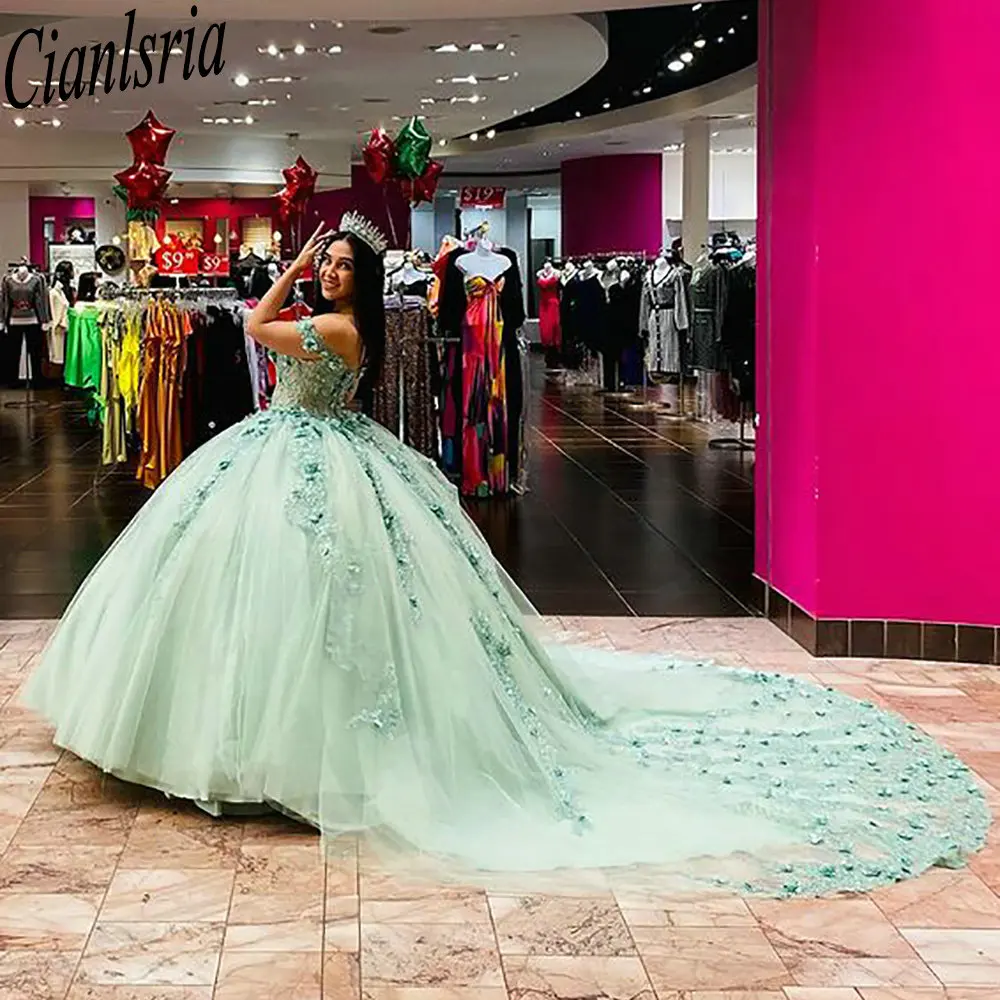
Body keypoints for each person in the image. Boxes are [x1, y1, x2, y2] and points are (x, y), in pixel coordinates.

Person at [22, 212, 987, 899]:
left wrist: (291, 270)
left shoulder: (337, 327)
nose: (334, 277)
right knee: (270, 600)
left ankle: (292, 755)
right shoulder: (340, 316)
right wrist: (310, 257)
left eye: (345, 268)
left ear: (356, 280)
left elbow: (251, 322)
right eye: (335, 270)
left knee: (319, 604)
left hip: (306, 457)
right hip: (309, 456)